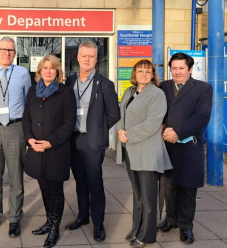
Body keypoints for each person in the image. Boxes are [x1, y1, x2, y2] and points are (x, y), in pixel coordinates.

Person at [65, 41, 120, 241]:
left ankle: (98, 223)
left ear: (96, 59)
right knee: (80, 181)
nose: (87, 59)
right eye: (84, 56)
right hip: (73, 139)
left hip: (92, 141)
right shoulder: (69, 82)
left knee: (95, 183)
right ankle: (83, 216)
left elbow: (114, 114)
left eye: (91, 56)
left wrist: (98, 129)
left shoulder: (105, 84)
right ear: (77, 58)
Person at [116, 59, 173, 248]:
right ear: (134, 74)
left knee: (148, 197)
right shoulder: (129, 92)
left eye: (148, 71)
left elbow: (153, 123)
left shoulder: (157, 94)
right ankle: (136, 228)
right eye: (140, 71)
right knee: (137, 194)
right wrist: (119, 131)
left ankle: (147, 235)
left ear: (153, 75)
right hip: (131, 150)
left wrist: (129, 135)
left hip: (148, 151)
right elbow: (121, 115)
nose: (144, 74)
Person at [158, 52, 213, 244]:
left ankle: (186, 226)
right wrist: (163, 127)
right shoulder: (163, 86)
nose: (177, 72)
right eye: (174, 68)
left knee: (188, 188)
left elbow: (202, 117)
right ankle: (170, 220)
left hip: (190, 146)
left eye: (181, 68)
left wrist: (178, 132)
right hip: (166, 145)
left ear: (190, 69)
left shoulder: (204, 88)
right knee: (170, 186)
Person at [22, 54, 77, 247]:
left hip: (56, 150)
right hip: (36, 149)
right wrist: (30, 139)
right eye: (44, 68)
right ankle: (49, 220)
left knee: (55, 190)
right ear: (39, 71)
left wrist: (50, 142)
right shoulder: (32, 91)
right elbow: (27, 118)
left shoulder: (66, 92)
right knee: (43, 187)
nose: (48, 71)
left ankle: (55, 227)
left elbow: (69, 123)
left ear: (57, 71)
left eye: (52, 68)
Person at [0, 37, 31, 237]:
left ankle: (15, 218)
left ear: (15, 53)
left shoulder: (23, 73)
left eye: (10, 50)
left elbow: (28, 100)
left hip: (15, 128)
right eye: (3, 49)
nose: (7, 53)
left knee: (17, 177)